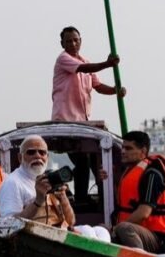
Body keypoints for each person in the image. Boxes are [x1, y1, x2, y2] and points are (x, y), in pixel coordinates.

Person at [52, 25, 126, 201]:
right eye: (68, 41)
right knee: (82, 161)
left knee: (95, 161)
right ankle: (81, 200)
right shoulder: (63, 59)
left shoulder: (85, 61)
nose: (73, 44)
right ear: (62, 44)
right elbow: (83, 69)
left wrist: (115, 90)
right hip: (65, 122)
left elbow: (97, 86)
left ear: (80, 41)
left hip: (82, 123)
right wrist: (107, 64)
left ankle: (105, 197)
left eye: (75, 40)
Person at [0, 135, 111, 242]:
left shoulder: (49, 179)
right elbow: (9, 225)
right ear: (20, 157)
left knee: (101, 231)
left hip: (59, 233)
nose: (37, 156)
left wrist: (63, 198)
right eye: (31, 152)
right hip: (34, 238)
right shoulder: (12, 183)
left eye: (42, 152)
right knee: (89, 233)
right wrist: (38, 201)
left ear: (47, 157)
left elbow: (71, 221)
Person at [113, 131, 165, 253]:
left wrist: (116, 229)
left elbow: (144, 212)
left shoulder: (152, 173)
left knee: (124, 228)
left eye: (129, 148)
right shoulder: (129, 171)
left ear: (143, 151)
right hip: (139, 231)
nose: (123, 151)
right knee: (103, 228)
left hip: (159, 238)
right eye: (123, 148)